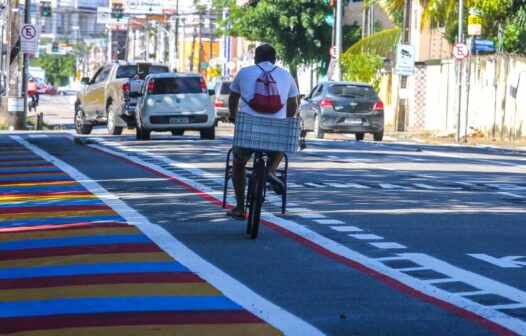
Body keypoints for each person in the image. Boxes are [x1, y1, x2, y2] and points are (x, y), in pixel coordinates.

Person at [227, 44, 299, 220]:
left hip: (248, 131)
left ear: (255, 58)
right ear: (275, 60)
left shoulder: (244, 72)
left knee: (239, 164)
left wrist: (233, 116)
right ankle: (271, 170)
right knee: (282, 135)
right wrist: (285, 120)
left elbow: (233, 98)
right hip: (275, 135)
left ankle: (239, 207)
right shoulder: (286, 75)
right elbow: (293, 104)